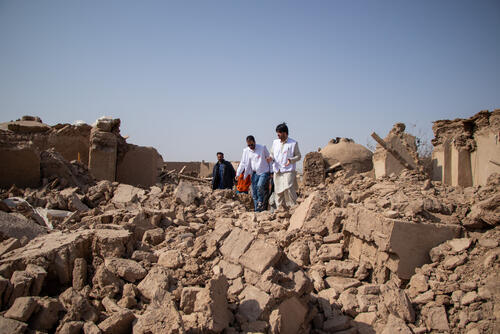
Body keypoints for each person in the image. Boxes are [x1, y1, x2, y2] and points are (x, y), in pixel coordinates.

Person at [267, 123, 301, 209]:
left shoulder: (293, 143)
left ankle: (294, 207)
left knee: (289, 187)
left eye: (279, 132)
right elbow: (272, 153)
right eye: (277, 133)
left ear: (285, 133)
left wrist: (291, 160)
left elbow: (298, 156)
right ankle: (280, 209)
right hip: (277, 170)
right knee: (278, 191)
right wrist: (270, 158)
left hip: (288, 170)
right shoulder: (275, 142)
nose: (278, 135)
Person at [236, 135, 271, 211]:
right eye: (249, 145)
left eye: (252, 144)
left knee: (259, 186)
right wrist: (238, 174)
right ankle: (257, 210)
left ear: (255, 142)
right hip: (254, 173)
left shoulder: (262, 148)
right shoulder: (246, 151)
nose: (250, 146)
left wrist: (271, 171)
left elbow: (269, 159)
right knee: (254, 193)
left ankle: (260, 201)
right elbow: (243, 162)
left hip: (264, 172)